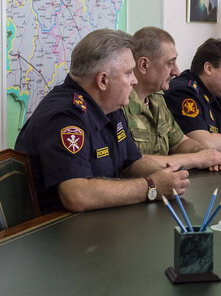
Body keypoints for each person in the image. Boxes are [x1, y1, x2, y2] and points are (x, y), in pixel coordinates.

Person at [15, 29, 189, 214]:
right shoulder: (66, 117)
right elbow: (77, 195)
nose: (134, 81)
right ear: (103, 80)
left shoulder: (110, 106)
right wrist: (151, 186)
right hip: (55, 232)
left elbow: (131, 163)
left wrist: (169, 177)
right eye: (129, 72)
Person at [122, 26, 221, 172]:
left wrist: (207, 153)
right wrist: (197, 159)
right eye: (170, 63)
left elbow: (180, 142)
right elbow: (133, 163)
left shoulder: (157, 99)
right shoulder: (119, 105)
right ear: (144, 65)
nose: (176, 71)